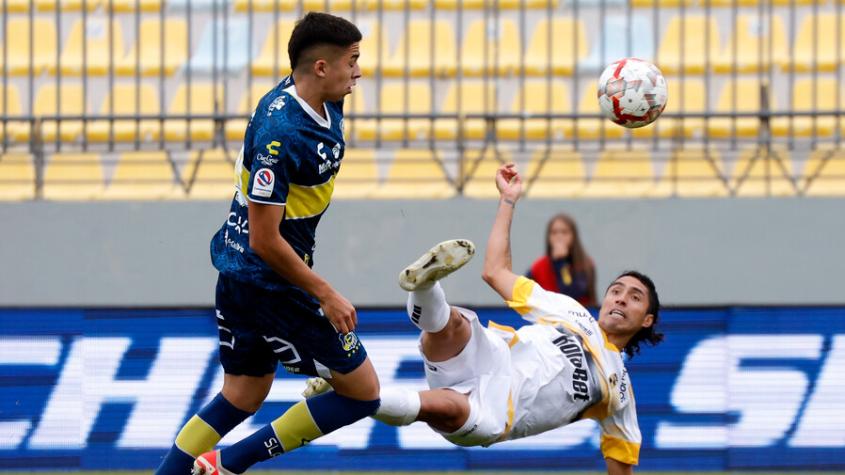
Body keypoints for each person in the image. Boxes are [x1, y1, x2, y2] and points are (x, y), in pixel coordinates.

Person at [305, 163, 664, 475]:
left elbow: (621, 463)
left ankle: (353, 386)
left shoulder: (619, 394)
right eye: (617, 289)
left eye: (634, 297)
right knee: (454, 323)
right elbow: (495, 272)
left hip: (495, 410)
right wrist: (507, 200)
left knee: (441, 406)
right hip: (490, 353)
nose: (620, 298)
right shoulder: (571, 311)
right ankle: (425, 284)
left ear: (646, 320)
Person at [155, 12, 380, 475]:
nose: (358, 71)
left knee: (244, 392)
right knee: (363, 392)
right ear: (321, 68)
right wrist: (326, 292)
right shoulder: (283, 135)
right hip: (271, 285)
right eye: (352, 61)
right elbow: (264, 239)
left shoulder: (316, 96)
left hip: (238, 275)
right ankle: (230, 462)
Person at [527, 213, 597, 306]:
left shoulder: (584, 264)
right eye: (554, 232)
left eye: (564, 232)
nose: (559, 236)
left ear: (573, 236)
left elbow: (571, 295)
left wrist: (560, 263)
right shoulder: (539, 266)